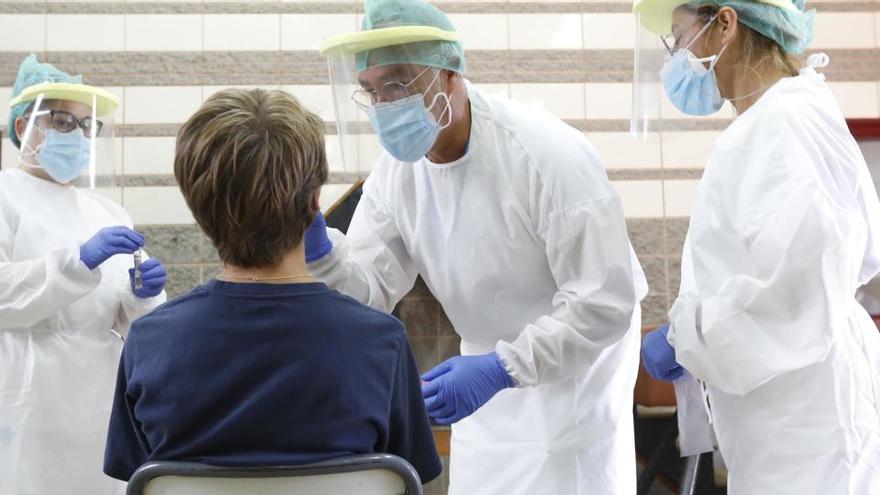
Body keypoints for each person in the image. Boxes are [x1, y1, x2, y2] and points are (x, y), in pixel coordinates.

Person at [308, 1, 649, 493]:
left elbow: (603, 302)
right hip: (485, 366)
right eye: (372, 90)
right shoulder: (395, 173)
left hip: (573, 366)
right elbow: (369, 290)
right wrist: (323, 253)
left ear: (449, 73)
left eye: (399, 82)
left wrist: (502, 367)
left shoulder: (544, 153)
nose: (385, 104)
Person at [102, 89, 442, 485]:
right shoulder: (383, 341)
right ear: (315, 200)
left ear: (196, 204)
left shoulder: (149, 341)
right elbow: (408, 479)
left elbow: (136, 478)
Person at [635, 1, 880, 493]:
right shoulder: (777, 117)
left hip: (807, 423)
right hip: (790, 411)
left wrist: (687, 334)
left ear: (725, 23)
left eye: (680, 38)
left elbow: (797, 283)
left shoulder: (781, 123)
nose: (677, 57)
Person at [0, 54, 167, 495]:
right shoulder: (5, 194)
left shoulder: (108, 212)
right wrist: (75, 263)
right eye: (62, 121)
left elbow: (133, 325)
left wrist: (144, 297)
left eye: (87, 125)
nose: (78, 135)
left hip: (97, 395)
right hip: (27, 388)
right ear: (23, 128)